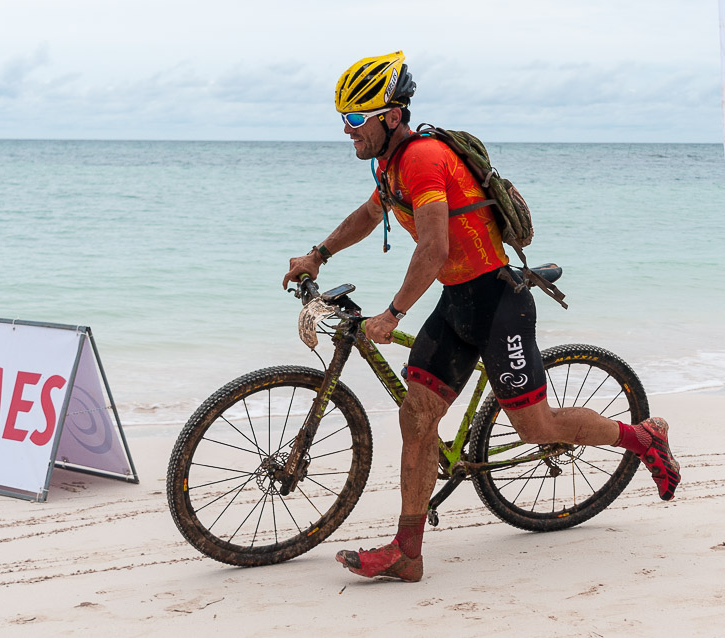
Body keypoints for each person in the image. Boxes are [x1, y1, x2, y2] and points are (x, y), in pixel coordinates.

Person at [281, 51, 680, 583]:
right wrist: (318, 254)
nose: (347, 131)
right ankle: (408, 552)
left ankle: (642, 438)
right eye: (343, 120)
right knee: (417, 416)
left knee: (538, 428)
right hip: (456, 302)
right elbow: (371, 213)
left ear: (391, 116)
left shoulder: (422, 159)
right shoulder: (389, 163)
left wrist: (393, 312)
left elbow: (434, 246)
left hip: (497, 303)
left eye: (356, 119)